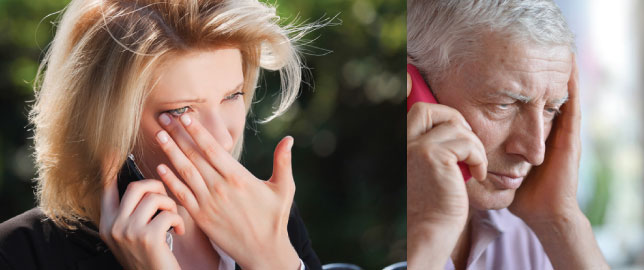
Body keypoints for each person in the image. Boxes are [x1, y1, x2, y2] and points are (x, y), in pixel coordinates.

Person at [0, 0, 321, 269]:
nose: (222, 137)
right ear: (105, 121)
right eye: (181, 110)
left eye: (232, 96)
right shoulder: (19, 254)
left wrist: (274, 259)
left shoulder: (271, 219)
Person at [406, 0, 609, 269]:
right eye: (503, 105)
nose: (535, 152)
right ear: (413, 88)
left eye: (551, 110)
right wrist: (430, 239)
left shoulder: (532, 233)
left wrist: (561, 222)